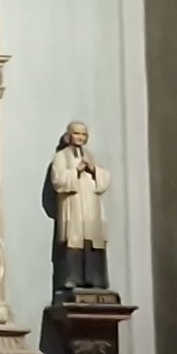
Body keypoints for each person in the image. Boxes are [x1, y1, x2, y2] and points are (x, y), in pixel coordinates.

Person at [48, 121, 111, 292]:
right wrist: (76, 171)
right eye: (76, 133)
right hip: (73, 205)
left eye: (83, 134)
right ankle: (72, 278)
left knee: (93, 240)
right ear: (69, 136)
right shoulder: (61, 156)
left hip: (91, 205)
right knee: (73, 239)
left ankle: (95, 278)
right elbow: (58, 180)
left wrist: (93, 170)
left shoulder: (90, 155)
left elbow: (105, 178)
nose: (80, 137)